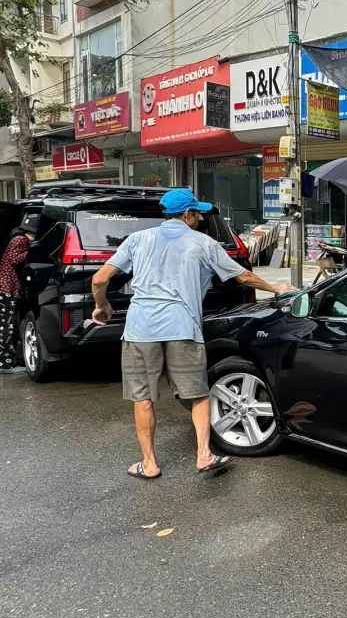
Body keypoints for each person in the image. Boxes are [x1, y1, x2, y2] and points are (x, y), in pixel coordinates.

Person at [91, 188, 279, 479]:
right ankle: (204, 455)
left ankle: (149, 463)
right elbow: (242, 276)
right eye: (198, 213)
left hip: (141, 328)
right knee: (198, 394)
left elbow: (99, 278)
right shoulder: (204, 243)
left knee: (143, 398)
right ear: (188, 215)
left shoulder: (138, 240)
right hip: (183, 326)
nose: (201, 217)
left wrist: (102, 306)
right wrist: (279, 288)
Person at [0, 219, 34, 373]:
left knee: (7, 323)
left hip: (7, 286)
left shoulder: (17, 239)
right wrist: (31, 250)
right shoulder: (21, 240)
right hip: (6, 287)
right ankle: (5, 362)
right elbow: (14, 260)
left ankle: (9, 358)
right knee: (6, 325)